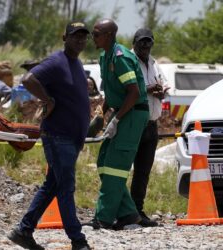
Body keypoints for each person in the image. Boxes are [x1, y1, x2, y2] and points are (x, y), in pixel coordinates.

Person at [7, 21, 91, 250]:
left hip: (71, 138)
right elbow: (27, 79)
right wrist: (48, 99)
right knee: (66, 188)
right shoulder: (56, 61)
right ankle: (78, 240)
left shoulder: (77, 63)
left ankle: (23, 231)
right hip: (58, 136)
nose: (80, 40)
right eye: (75, 36)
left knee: (52, 186)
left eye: (84, 37)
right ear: (65, 38)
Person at [87, 18, 149, 230]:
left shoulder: (120, 57)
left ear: (109, 36)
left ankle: (103, 218)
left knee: (115, 167)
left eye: (96, 34)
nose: (92, 38)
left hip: (132, 114)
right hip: (121, 111)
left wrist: (117, 120)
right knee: (104, 163)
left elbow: (134, 92)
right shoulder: (105, 56)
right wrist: (100, 115)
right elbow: (112, 93)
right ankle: (129, 215)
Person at [130, 28, 169, 227]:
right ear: (134, 42)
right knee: (120, 170)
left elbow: (164, 85)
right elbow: (125, 91)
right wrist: (147, 89)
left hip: (151, 125)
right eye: (142, 42)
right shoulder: (127, 61)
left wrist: (161, 91)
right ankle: (122, 212)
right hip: (134, 124)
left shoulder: (154, 63)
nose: (145, 45)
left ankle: (137, 211)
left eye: (149, 42)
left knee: (143, 171)